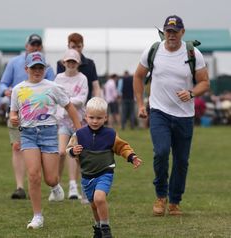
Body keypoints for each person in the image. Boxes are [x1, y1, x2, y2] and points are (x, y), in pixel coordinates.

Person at [133, 15, 210, 216]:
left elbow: (204, 82)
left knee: (181, 160)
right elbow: (139, 76)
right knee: (160, 152)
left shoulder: (194, 53)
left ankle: (175, 201)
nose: (171, 35)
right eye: (168, 31)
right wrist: (141, 104)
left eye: (175, 32)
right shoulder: (154, 51)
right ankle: (160, 196)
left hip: (184, 115)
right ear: (164, 31)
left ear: (182, 32)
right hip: (159, 112)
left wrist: (191, 93)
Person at [10, 52, 81, 229]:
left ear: (45, 69)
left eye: (40, 67)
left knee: (50, 178)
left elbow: (70, 107)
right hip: (27, 134)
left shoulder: (52, 87)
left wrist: (80, 130)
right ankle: (37, 216)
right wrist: (13, 118)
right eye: (34, 67)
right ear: (26, 69)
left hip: (49, 133)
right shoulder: (18, 89)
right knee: (33, 175)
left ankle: (55, 187)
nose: (37, 71)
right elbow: (13, 112)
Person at [66, 97, 142, 238]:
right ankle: (98, 227)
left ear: (106, 118)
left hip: (104, 173)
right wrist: (72, 151)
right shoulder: (79, 135)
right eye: (92, 117)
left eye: (99, 118)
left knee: (99, 198)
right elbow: (69, 149)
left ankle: (106, 228)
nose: (95, 121)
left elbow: (122, 147)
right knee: (94, 205)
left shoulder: (110, 135)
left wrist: (131, 157)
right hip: (87, 176)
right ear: (85, 116)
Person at [0, 34, 55, 199]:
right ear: (26, 46)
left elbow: (53, 88)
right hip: (17, 112)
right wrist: (6, 91)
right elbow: (2, 83)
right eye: (33, 44)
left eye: (38, 45)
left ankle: (44, 182)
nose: (35, 47)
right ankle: (20, 186)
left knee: (43, 149)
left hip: (41, 117)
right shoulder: (14, 63)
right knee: (17, 146)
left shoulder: (47, 67)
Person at [53, 49, 88, 201]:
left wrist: (65, 100)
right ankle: (56, 186)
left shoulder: (82, 78)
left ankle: (75, 186)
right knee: (61, 152)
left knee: (76, 154)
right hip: (62, 120)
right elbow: (53, 96)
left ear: (78, 63)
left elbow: (82, 99)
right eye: (69, 61)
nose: (71, 64)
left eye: (74, 61)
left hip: (78, 121)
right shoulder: (58, 78)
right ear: (64, 63)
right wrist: (68, 100)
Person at [57, 32, 101, 101]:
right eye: (73, 47)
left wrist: (96, 102)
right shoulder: (61, 64)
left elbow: (96, 86)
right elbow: (58, 86)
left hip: (86, 106)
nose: (76, 49)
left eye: (79, 46)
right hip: (65, 106)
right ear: (68, 46)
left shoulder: (90, 64)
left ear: (83, 46)